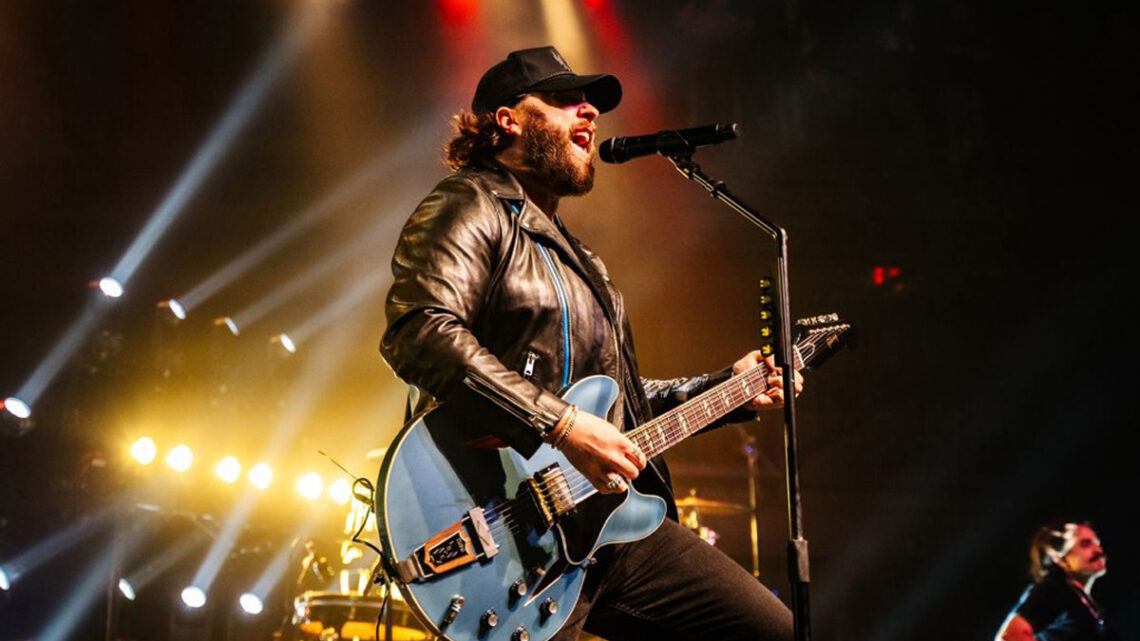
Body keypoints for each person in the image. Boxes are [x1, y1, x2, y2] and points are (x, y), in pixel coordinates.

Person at [380, 46, 797, 641]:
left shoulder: (585, 265)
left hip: (608, 528)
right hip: (508, 534)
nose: (590, 112)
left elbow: (620, 403)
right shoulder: (469, 204)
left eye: (590, 103)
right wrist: (561, 426)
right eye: (564, 100)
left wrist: (727, 390)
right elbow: (420, 329)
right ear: (508, 120)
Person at [995, 521, 1120, 641]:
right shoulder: (1054, 590)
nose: (1098, 550)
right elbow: (1011, 636)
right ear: (1061, 559)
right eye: (1085, 544)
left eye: (1097, 543)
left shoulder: (1088, 603)